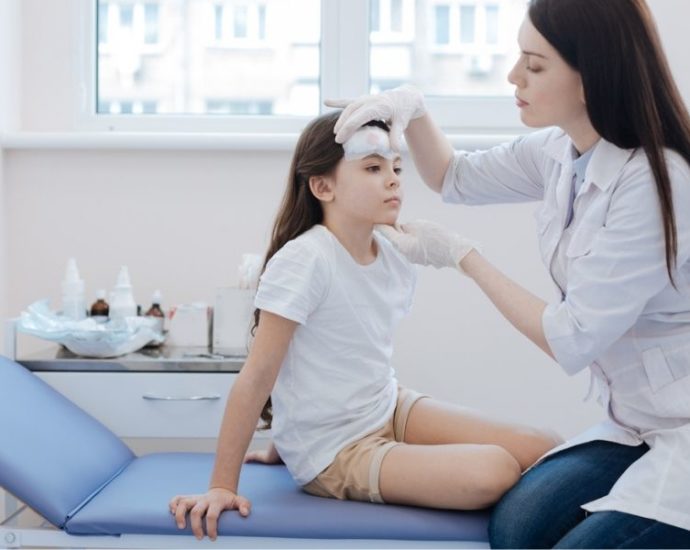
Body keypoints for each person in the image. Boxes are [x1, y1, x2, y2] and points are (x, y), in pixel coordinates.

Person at [327, 0, 690, 548]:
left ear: (591, 78)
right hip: (636, 422)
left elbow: (572, 337)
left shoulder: (654, 182)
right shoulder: (563, 152)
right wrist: (415, 111)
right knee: (516, 527)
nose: (513, 76)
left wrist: (464, 258)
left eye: (535, 65)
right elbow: (454, 177)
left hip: (682, 427)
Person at [168, 111, 560, 541]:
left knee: (543, 446)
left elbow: (333, 355)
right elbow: (260, 375)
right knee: (496, 469)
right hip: (337, 448)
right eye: (373, 168)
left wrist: (281, 442)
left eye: (396, 167)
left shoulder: (393, 252)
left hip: (384, 405)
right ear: (323, 186)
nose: (392, 179)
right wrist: (223, 485)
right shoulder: (306, 260)